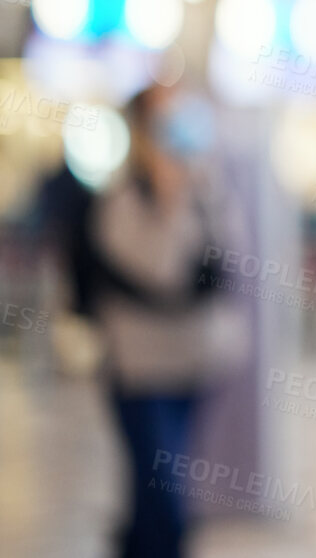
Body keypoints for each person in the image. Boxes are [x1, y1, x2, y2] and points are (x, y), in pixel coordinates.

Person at [91, 84, 247, 558]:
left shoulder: (207, 190)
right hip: (140, 371)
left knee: (165, 488)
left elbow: (232, 261)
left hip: (191, 364)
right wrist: (171, 200)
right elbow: (162, 272)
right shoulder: (122, 201)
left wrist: (197, 189)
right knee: (160, 493)